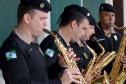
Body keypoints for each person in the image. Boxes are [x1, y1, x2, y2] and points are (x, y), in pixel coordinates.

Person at [0, 0, 83, 84]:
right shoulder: (12, 48)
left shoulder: (33, 43)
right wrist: (60, 82)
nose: (45, 24)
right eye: (42, 19)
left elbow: (42, 74)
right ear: (27, 18)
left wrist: (59, 65)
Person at [40, 4, 99, 83]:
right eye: (84, 28)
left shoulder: (67, 43)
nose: (84, 33)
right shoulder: (52, 43)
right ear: (73, 24)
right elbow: (42, 77)